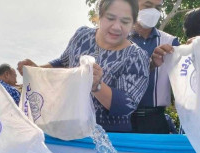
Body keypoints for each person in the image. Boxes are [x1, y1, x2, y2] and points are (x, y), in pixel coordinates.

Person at [18, 0, 149, 132]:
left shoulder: (137, 57)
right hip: (68, 126)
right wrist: (37, 70)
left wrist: (97, 86)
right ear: (100, 16)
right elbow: (63, 62)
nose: (116, 27)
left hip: (108, 136)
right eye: (110, 18)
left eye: (125, 22)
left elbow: (126, 106)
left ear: (133, 24)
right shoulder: (82, 36)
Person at [128, 0, 180, 134]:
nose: (153, 11)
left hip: (155, 120)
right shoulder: (119, 38)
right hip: (122, 120)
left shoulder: (170, 42)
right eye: (147, 5)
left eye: (158, 7)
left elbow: (184, 81)